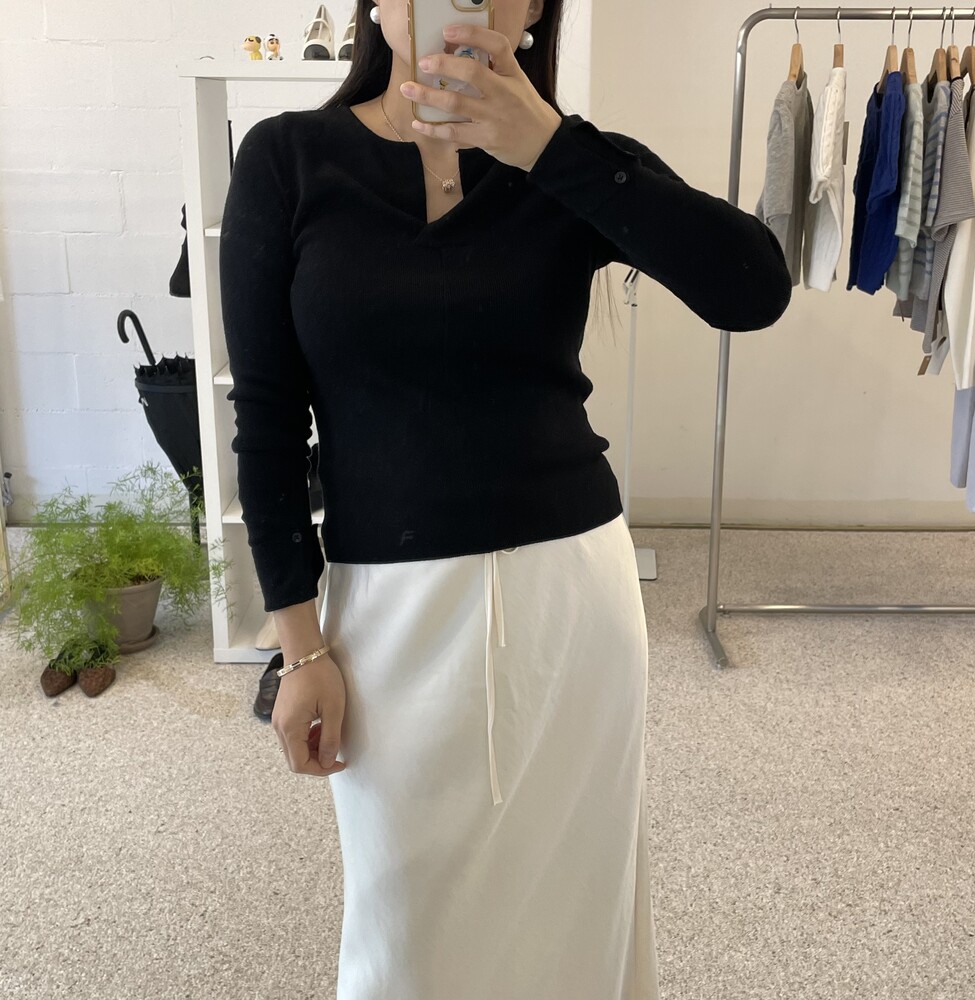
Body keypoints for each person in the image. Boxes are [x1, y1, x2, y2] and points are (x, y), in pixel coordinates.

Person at [219, 1, 791, 997]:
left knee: (578, 913)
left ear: (531, 11)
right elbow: (267, 423)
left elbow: (754, 288)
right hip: (386, 610)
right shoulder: (287, 160)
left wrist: (551, 149)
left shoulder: (567, 158)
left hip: (571, 601)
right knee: (405, 934)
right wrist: (300, 646)